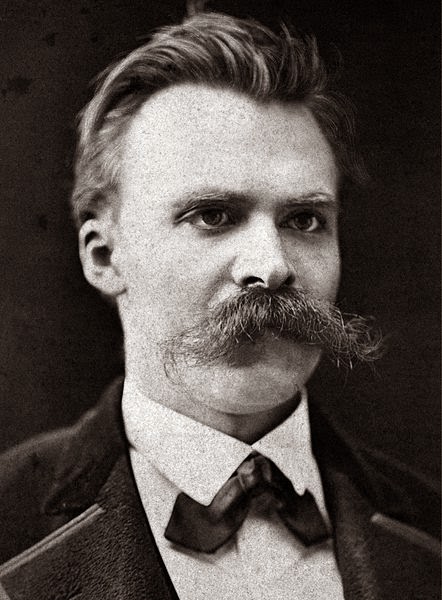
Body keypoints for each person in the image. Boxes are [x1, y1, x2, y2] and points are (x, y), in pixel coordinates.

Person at [0, 11, 439, 600]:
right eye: (213, 216)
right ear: (104, 256)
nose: (272, 265)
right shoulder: (11, 527)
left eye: (304, 220)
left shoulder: (428, 530)